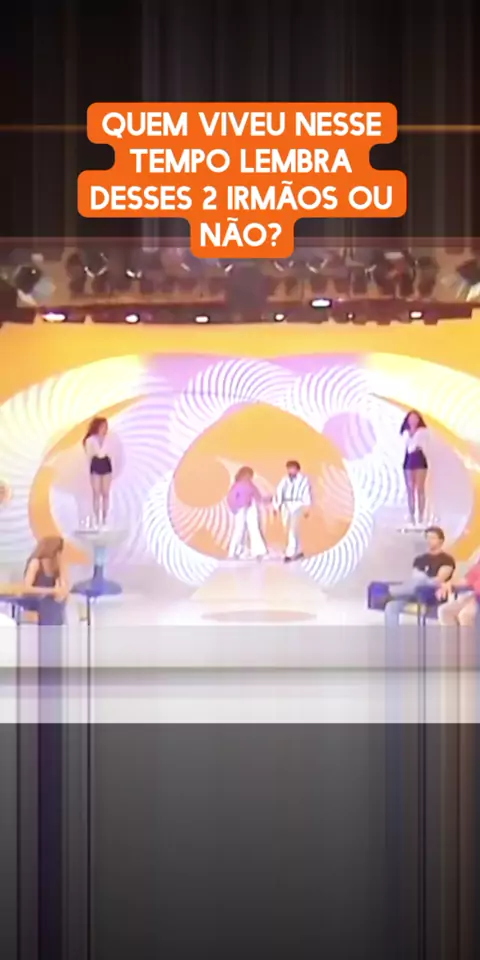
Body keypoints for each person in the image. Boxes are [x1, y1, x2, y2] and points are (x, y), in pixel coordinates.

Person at [384, 526, 455, 632]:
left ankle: (391, 592)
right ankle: (392, 638)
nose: (429, 541)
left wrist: (422, 579)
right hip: (414, 591)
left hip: (433, 591)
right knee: (391, 606)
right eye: (427, 538)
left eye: (432, 538)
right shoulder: (419, 559)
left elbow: (439, 580)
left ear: (441, 541)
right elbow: (414, 577)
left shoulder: (447, 560)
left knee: (421, 579)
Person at [23, 535, 69, 626]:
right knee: (48, 603)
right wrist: (49, 591)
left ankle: (55, 631)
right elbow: (26, 588)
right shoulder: (36, 563)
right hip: (35, 599)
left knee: (57, 603)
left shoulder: (58, 566)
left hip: (51, 600)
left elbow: (64, 589)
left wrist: (62, 567)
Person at [273, 460, 312, 562]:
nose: (291, 470)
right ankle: (298, 550)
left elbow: (306, 493)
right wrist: (276, 506)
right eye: (289, 468)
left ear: (297, 469)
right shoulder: (284, 479)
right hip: (286, 505)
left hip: (297, 504)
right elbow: (279, 492)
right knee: (287, 528)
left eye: (293, 468)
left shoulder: (303, 480)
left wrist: (307, 507)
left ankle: (290, 553)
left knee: (293, 529)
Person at [227, 467, 269, 560]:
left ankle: (259, 551)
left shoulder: (251, 485)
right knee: (239, 530)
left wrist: (268, 499)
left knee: (254, 528)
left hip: (250, 508)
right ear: (243, 474)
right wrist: (234, 508)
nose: (250, 477)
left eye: (251, 475)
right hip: (240, 509)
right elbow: (231, 498)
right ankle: (234, 552)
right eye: (248, 474)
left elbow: (258, 497)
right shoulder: (237, 485)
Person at [400, 409, 429, 527]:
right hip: (408, 460)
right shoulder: (404, 432)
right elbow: (406, 446)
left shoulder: (423, 432)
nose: (413, 420)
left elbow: (419, 445)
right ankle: (411, 516)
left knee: (420, 489)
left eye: (415, 418)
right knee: (410, 488)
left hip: (419, 459)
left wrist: (414, 442)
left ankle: (421, 516)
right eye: (411, 418)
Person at [83, 417, 113, 527]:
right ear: (98, 427)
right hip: (96, 464)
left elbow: (111, 453)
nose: (105, 428)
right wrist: (89, 470)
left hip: (106, 464)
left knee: (105, 493)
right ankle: (96, 519)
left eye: (106, 426)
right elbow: (89, 455)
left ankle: (105, 518)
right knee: (96, 493)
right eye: (103, 426)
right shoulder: (90, 440)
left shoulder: (109, 439)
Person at [436, 558, 480, 629]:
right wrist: (447, 586)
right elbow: (465, 581)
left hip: (476, 600)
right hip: (473, 597)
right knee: (444, 610)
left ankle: (467, 636)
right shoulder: (478, 565)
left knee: (465, 615)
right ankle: (451, 636)